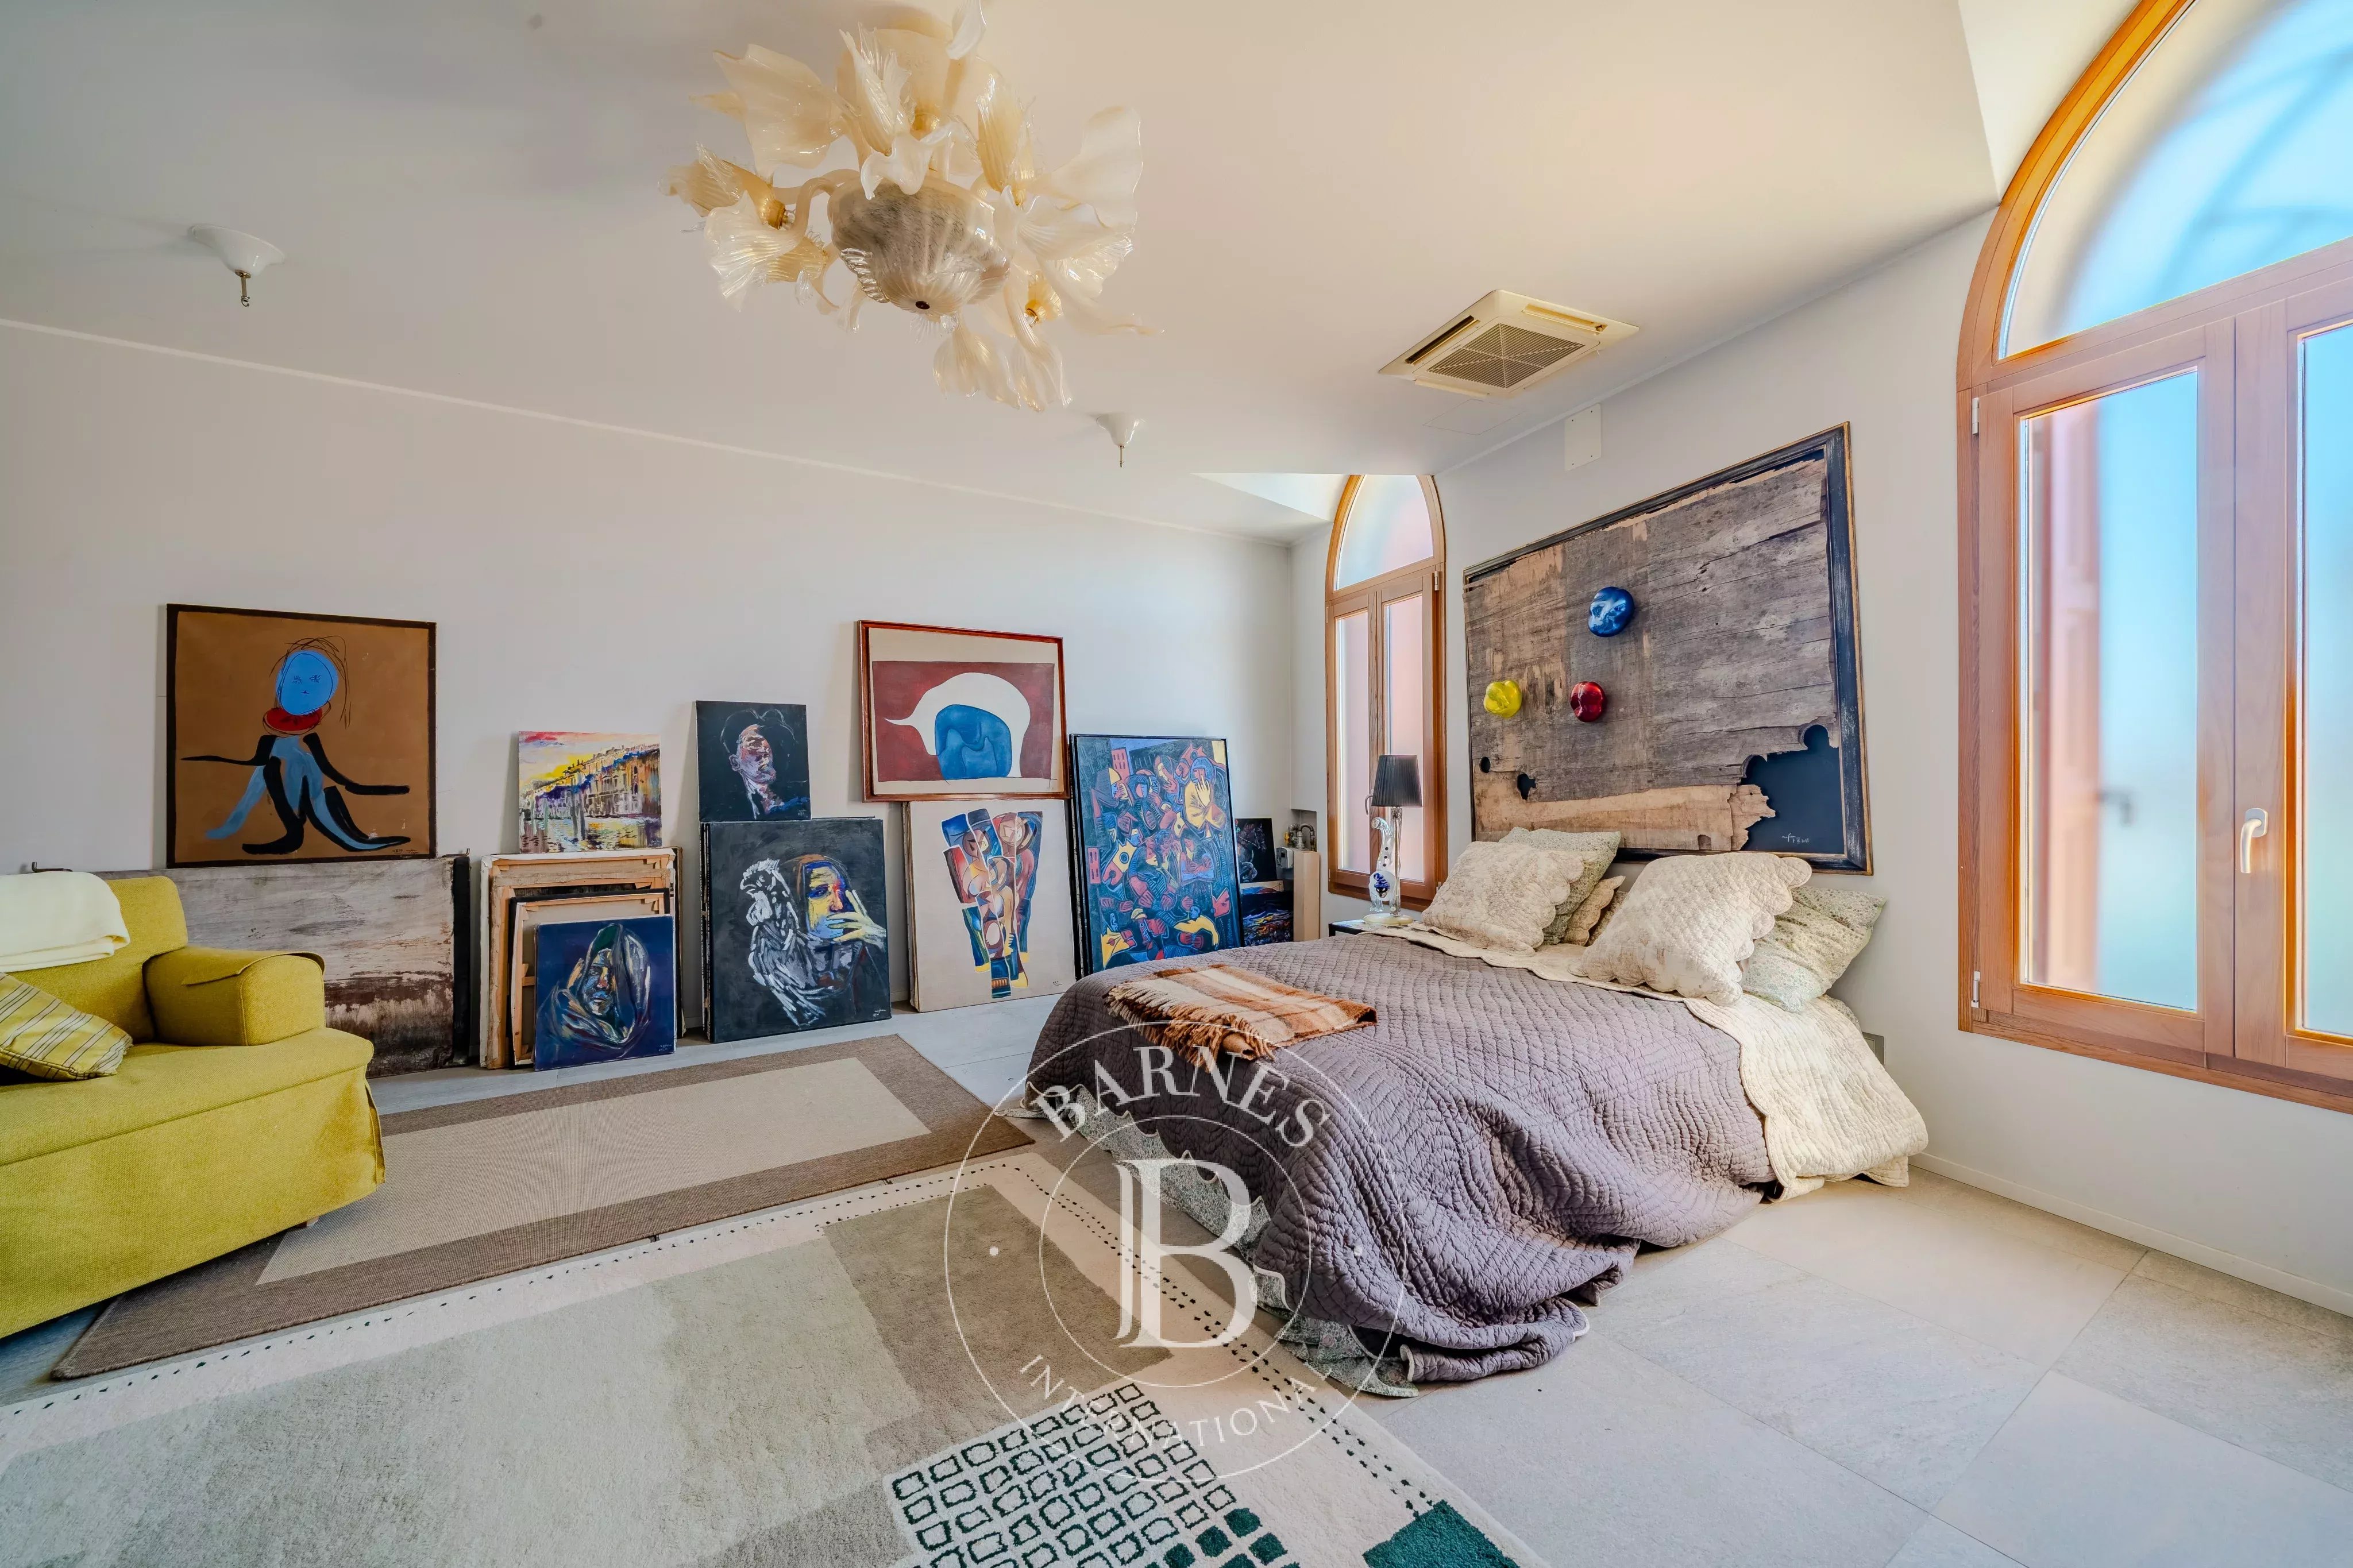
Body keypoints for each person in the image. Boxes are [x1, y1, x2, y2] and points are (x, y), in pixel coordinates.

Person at [187, 639, 409, 856]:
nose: (304, 690)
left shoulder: (310, 741)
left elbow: (328, 770)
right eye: (297, 680)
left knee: (322, 795)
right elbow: (255, 767)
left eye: (315, 681)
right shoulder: (270, 743)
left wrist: (359, 787)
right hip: (280, 781)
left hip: (308, 784)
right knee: (267, 773)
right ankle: (284, 831)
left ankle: (353, 839)